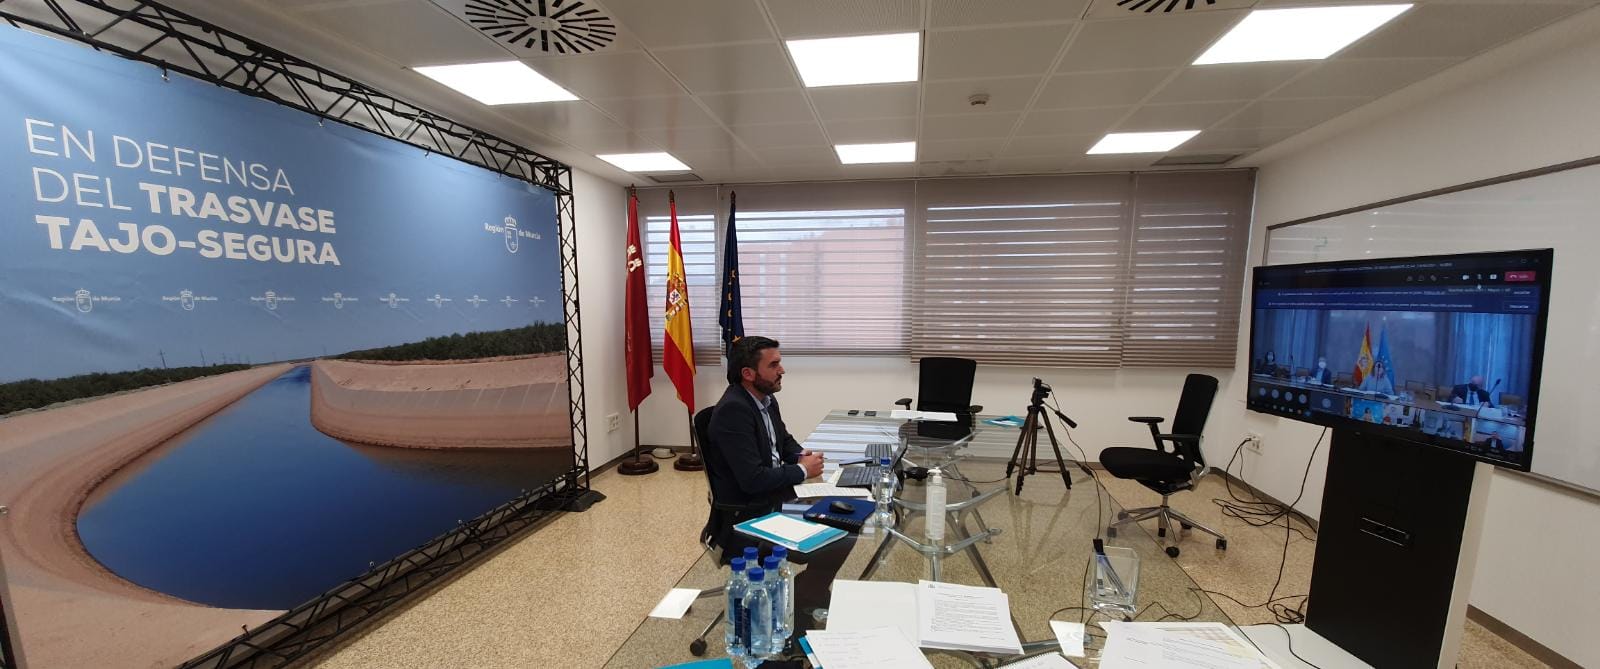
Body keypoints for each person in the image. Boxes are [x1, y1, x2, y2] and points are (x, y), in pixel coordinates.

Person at [702, 336, 825, 556]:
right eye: (773, 365)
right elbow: (753, 479)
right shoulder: (734, 411)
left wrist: (801, 455)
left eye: (780, 362)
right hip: (751, 512)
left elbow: (783, 440)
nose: (782, 370)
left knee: (844, 517)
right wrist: (803, 470)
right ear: (748, 374)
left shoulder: (766, 399)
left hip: (776, 494)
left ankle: (804, 588)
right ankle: (796, 588)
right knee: (832, 536)